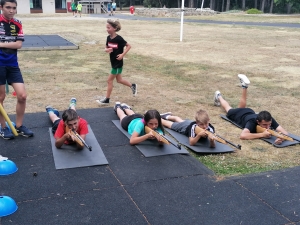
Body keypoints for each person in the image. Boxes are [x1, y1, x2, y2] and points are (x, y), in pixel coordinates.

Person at [214, 74, 288, 145]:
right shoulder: (252, 122)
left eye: (269, 124)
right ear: (258, 122)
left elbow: (285, 132)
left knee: (242, 107)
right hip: (238, 115)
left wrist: (281, 138)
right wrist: (262, 134)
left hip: (250, 111)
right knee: (228, 108)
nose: (268, 127)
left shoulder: (269, 119)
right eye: (265, 125)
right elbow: (242, 136)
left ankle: (244, 86)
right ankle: (219, 96)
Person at [0, 0, 34, 140]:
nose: (11, 10)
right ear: (1, 7)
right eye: (8, 7)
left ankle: (19, 126)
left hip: (13, 64)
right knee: (1, 98)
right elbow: (14, 43)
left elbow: (19, 44)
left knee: (22, 96)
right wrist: (9, 43)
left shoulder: (17, 23)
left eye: (14, 8)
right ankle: (2, 128)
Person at [96, 19, 137, 105]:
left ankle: (107, 99)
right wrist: (107, 50)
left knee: (109, 80)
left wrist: (122, 54)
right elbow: (106, 48)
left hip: (118, 63)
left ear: (114, 28)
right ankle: (132, 86)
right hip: (113, 62)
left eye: (109, 27)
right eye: (106, 27)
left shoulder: (119, 39)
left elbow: (129, 46)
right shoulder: (108, 38)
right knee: (119, 80)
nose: (107, 29)